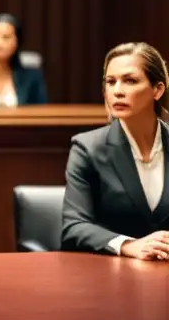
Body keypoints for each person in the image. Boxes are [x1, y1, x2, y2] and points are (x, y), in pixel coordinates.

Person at [62, 42, 169, 259]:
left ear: (157, 90)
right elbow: (74, 226)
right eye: (110, 82)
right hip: (112, 276)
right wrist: (129, 245)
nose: (117, 91)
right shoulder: (87, 148)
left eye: (130, 81)